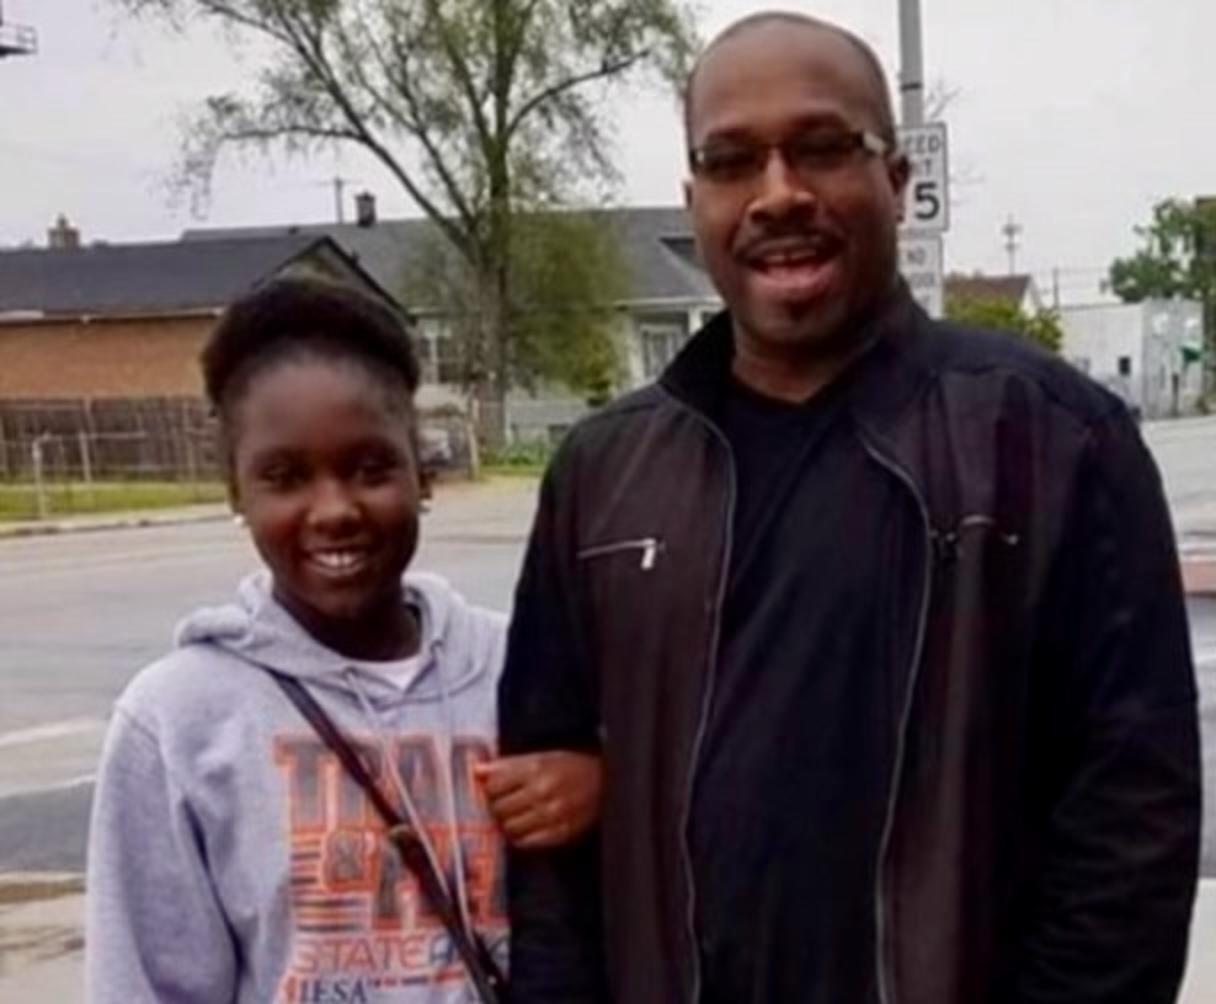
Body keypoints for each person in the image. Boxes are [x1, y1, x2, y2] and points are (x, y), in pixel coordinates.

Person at [499, 10, 1200, 1004]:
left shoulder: (1048, 439)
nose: (778, 193)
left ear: (898, 180)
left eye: (823, 148)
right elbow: (549, 832)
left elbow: (1133, 819)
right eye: (732, 160)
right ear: (694, 199)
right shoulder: (600, 475)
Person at [86, 278, 601, 1003]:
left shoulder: (521, 666)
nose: (334, 510)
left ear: (422, 473)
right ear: (236, 491)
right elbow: (143, 982)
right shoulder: (178, 719)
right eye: (285, 476)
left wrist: (604, 786)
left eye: (369, 468)